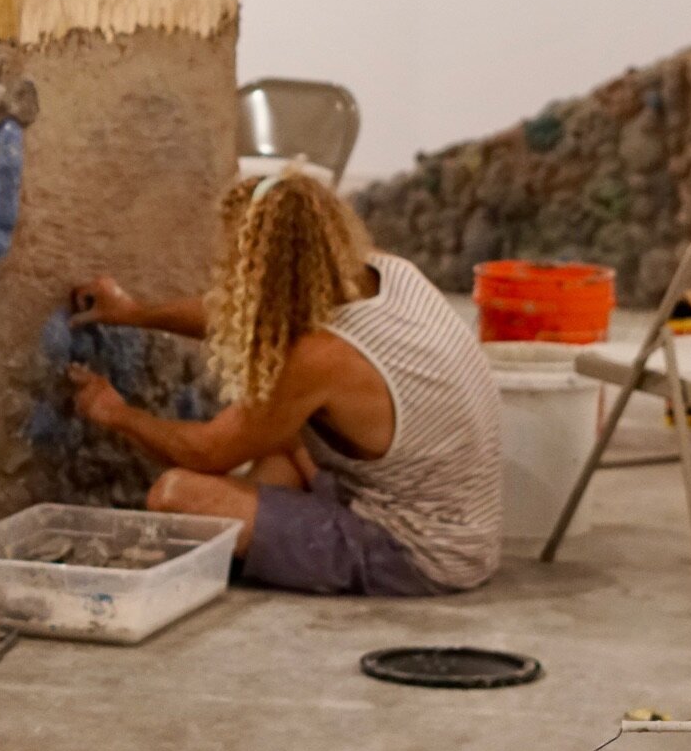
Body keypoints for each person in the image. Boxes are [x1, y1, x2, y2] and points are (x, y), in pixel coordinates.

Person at [67, 170, 503, 595]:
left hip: (420, 553)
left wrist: (116, 414)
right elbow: (243, 315)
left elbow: (207, 452)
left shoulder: (323, 357)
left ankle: (265, 545)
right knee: (279, 439)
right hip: (460, 524)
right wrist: (136, 313)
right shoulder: (390, 272)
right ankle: (268, 538)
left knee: (177, 494)